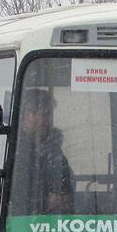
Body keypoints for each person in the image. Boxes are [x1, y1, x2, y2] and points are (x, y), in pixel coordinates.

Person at [12, 87, 74, 215]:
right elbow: (15, 194)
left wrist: (65, 195)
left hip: (52, 222)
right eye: (45, 115)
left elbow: (65, 178)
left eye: (49, 115)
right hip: (23, 224)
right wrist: (44, 201)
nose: (48, 121)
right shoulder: (13, 149)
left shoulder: (52, 147)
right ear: (28, 115)